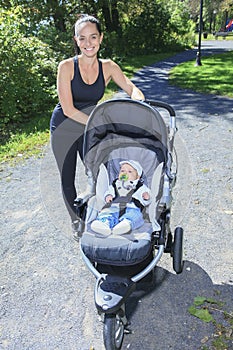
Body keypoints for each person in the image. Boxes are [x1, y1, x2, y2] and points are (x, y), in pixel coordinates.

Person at [50, 14, 145, 236]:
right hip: (64, 127)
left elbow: (131, 87)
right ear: (76, 40)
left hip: (89, 128)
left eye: (93, 37)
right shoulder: (66, 67)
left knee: (102, 170)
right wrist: (101, 123)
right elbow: (69, 110)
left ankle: (110, 212)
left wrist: (138, 99)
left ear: (101, 38)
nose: (88, 43)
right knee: (67, 178)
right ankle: (76, 221)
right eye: (82, 38)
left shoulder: (109, 67)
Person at [91, 160, 151, 235]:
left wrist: (146, 197)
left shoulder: (140, 187)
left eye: (130, 172)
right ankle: (103, 224)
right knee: (107, 213)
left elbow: (146, 201)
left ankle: (125, 225)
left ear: (138, 177)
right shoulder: (115, 184)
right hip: (114, 207)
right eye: (122, 171)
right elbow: (109, 192)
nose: (125, 173)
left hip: (132, 208)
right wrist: (108, 196)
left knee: (136, 216)